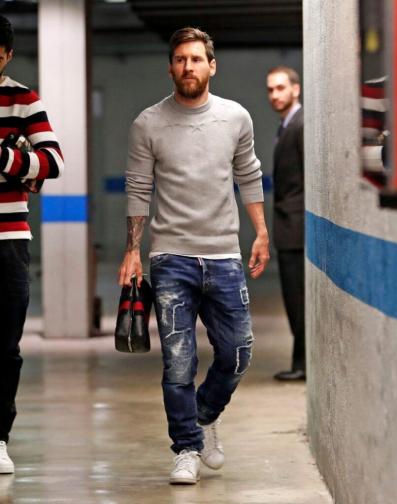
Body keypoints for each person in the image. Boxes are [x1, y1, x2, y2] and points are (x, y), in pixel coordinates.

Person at [119, 27, 270, 484]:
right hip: (171, 258)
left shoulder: (235, 117)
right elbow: (138, 189)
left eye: (197, 59)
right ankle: (185, 448)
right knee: (178, 362)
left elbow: (248, 174)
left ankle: (203, 416)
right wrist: (133, 250)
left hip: (224, 255)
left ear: (212, 65)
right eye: (181, 59)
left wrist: (261, 232)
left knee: (238, 353)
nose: (189, 66)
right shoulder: (148, 123)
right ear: (171, 67)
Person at [0, 15, 64, 473]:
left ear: (5, 55)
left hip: (9, 242)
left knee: (5, 347)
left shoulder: (23, 99)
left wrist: (5, 157)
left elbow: (53, 162)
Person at [266, 66, 305, 381]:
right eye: (270, 89)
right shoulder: (287, 125)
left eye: (280, 88)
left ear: (296, 89)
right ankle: (301, 362)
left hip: (297, 228)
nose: (275, 95)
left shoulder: (300, 125)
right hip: (290, 227)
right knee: (294, 300)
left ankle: (302, 364)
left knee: (298, 299)